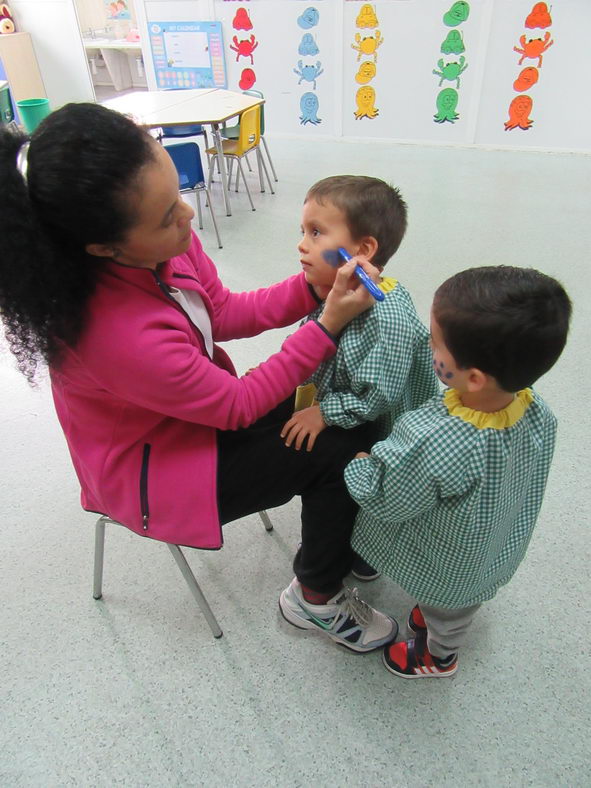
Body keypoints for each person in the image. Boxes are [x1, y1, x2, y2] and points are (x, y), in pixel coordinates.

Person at [0, 103, 397, 653]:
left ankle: (337, 538)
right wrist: (327, 323)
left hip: (195, 417)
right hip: (160, 471)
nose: (188, 217)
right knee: (337, 457)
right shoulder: (113, 334)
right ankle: (314, 597)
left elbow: (225, 311)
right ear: (104, 248)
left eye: (177, 194)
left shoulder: (162, 251)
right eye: (166, 216)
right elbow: (237, 406)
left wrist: (315, 290)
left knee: (343, 415)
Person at [344, 266, 571, 677]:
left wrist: (361, 468)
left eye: (435, 342)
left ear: (474, 377)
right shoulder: (537, 410)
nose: (428, 346)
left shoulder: (435, 436)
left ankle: (440, 655)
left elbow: (389, 499)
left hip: (451, 560)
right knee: (454, 597)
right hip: (493, 541)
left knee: (450, 607)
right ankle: (437, 620)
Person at [279, 175, 439, 581]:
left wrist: (325, 413)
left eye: (316, 233)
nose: (302, 244)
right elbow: (318, 340)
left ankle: (366, 551)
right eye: (303, 231)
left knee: (372, 479)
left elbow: (377, 397)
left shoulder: (384, 317)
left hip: (383, 423)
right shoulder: (337, 288)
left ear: (365, 249)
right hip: (352, 403)